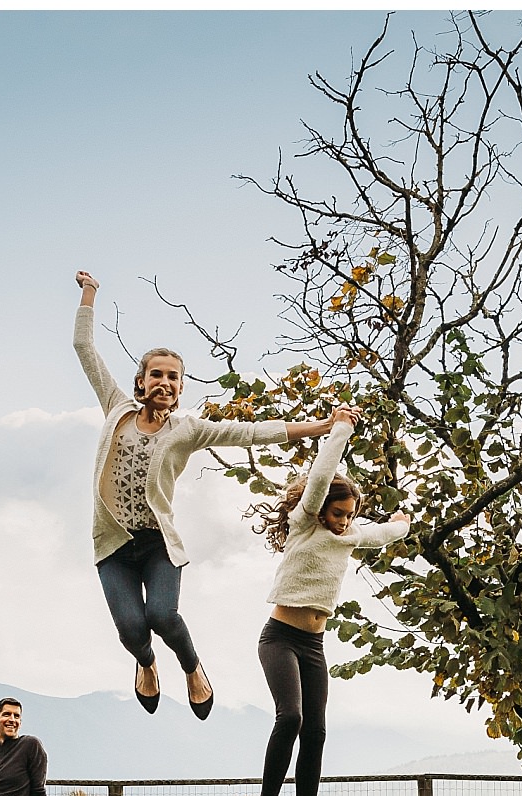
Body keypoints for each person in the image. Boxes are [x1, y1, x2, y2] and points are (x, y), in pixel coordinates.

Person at [74, 271, 350, 718]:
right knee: (130, 630)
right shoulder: (116, 408)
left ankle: (192, 668)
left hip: (157, 544)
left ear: (181, 388)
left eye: (174, 378)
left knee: (163, 615)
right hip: (112, 544)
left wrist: (321, 426)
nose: (164, 383)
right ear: (141, 382)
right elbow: (85, 349)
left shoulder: (189, 429)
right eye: (156, 375)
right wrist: (90, 295)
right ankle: (146, 664)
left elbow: (250, 433)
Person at [242, 411, 410, 796]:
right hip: (279, 638)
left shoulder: (350, 535)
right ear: (321, 508)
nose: (343, 522)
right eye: (338, 513)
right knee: (291, 717)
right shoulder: (304, 523)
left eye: (350, 516)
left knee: (316, 731)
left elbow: (383, 535)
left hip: (314, 645)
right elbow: (321, 475)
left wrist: (403, 522)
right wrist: (341, 430)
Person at [0, 697, 48, 796]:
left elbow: (38, 791)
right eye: (6, 714)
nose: (12, 720)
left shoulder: (30, 745)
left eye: (16, 716)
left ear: (20, 723)